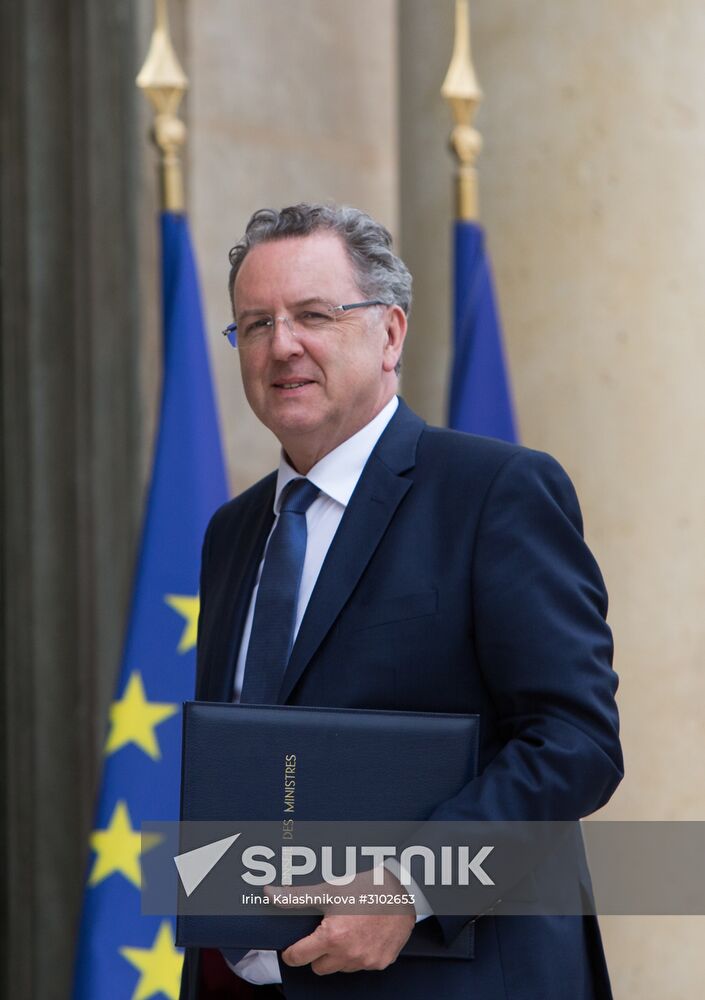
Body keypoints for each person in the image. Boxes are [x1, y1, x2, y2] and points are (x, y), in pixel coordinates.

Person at [179, 203, 623, 1000]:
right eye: (253, 325)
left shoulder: (493, 493)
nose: (281, 345)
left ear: (389, 334)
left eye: (313, 315)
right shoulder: (233, 531)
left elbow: (574, 741)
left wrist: (410, 887)